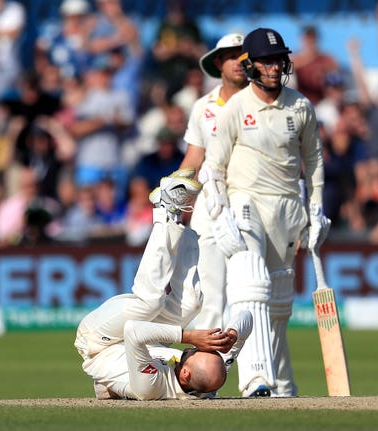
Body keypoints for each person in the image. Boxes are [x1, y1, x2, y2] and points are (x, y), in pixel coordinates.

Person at [199, 28, 330, 397]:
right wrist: (219, 209)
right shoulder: (237, 108)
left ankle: (283, 386)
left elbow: (313, 158)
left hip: (288, 208)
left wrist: (316, 207)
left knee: (278, 308)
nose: (274, 68)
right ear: (251, 65)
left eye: (278, 60)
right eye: (266, 61)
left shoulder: (300, 106)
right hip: (245, 201)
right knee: (250, 284)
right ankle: (256, 378)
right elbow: (214, 166)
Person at [75, 168, 253, 400]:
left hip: (97, 343)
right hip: (146, 339)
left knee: (150, 303)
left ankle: (163, 210)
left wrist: (188, 337)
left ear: (186, 374)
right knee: (191, 303)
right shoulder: (207, 380)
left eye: (194, 352)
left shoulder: (152, 387)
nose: (197, 347)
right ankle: (177, 217)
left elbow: (133, 330)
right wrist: (232, 334)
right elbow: (247, 315)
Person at [178, 33, 247, 337]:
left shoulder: (262, 102)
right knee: (210, 295)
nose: (240, 62)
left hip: (250, 203)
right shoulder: (203, 106)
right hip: (211, 208)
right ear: (218, 62)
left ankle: (254, 377)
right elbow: (194, 157)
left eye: (245, 56)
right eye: (232, 56)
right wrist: (175, 196)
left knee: (249, 293)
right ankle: (208, 379)